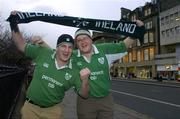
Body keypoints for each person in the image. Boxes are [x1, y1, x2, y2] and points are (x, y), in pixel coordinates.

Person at [7, 11, 90, 119]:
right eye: (63, 46)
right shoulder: (43, 53)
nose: (67, 50)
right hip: (30, 109)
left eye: (70, 47)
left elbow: (84, 95)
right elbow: (21, 45)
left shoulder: (74, 70)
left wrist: (85, 81)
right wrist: (13, 23)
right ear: (57, 48)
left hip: (53, 112)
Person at [73, 20, 144, 119]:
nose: (82, 42)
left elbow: (122, 46)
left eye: (85, 38)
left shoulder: (104, 49)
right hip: (85, 102)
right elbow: (54, 55)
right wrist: (42, 42)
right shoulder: (73, 56)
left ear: (91, 39)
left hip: (105, 99)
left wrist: (137, 30)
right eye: (79, 40)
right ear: (76, 44)